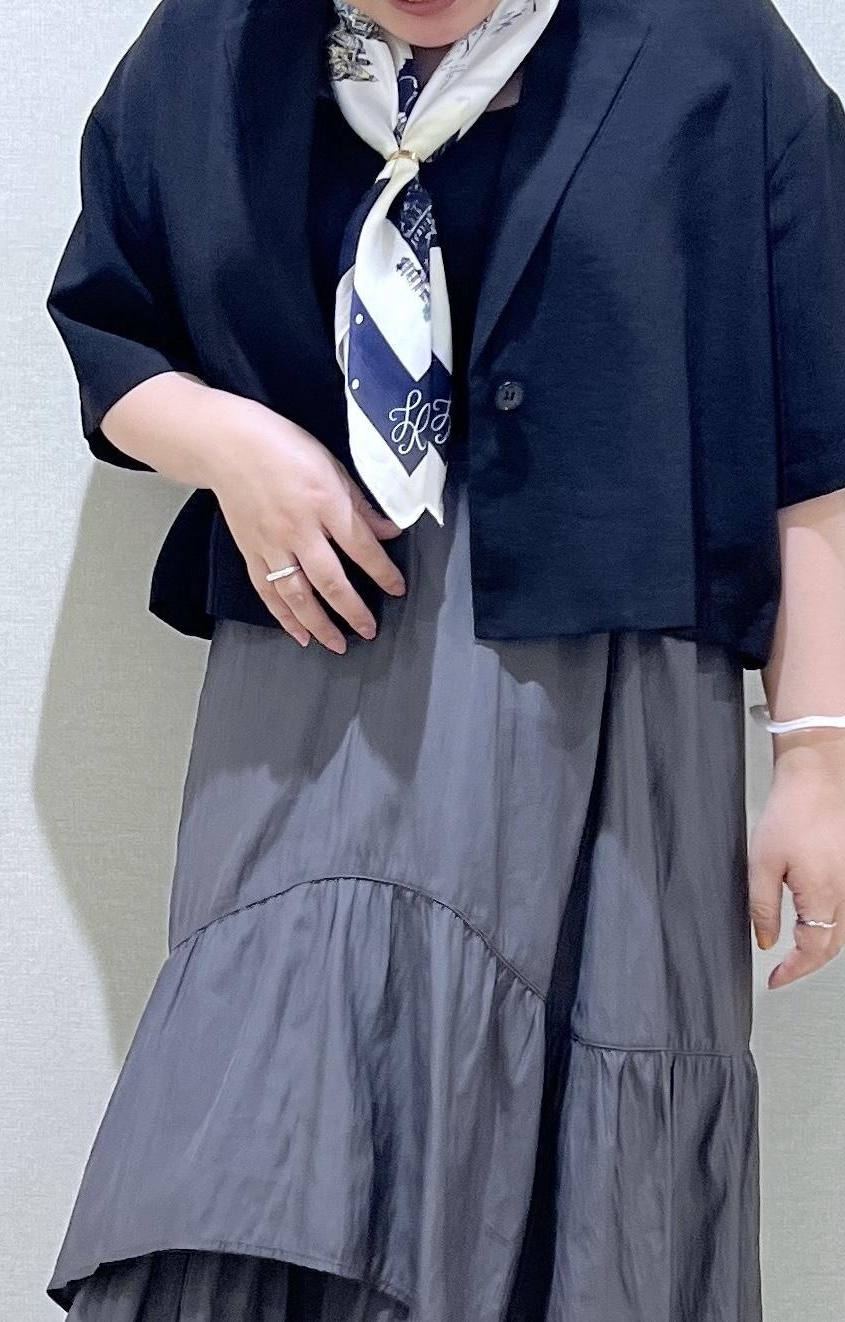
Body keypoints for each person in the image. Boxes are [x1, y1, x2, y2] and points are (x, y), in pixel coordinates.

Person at [44, 0, 845, 1317]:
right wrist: (236, 451)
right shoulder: (219, 45)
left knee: (575, 1207)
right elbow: (107, 322)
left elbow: (817, 428)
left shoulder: (713, 51)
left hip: (607, 731)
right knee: (256, 1141)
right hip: (307, 708)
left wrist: (816, 759)